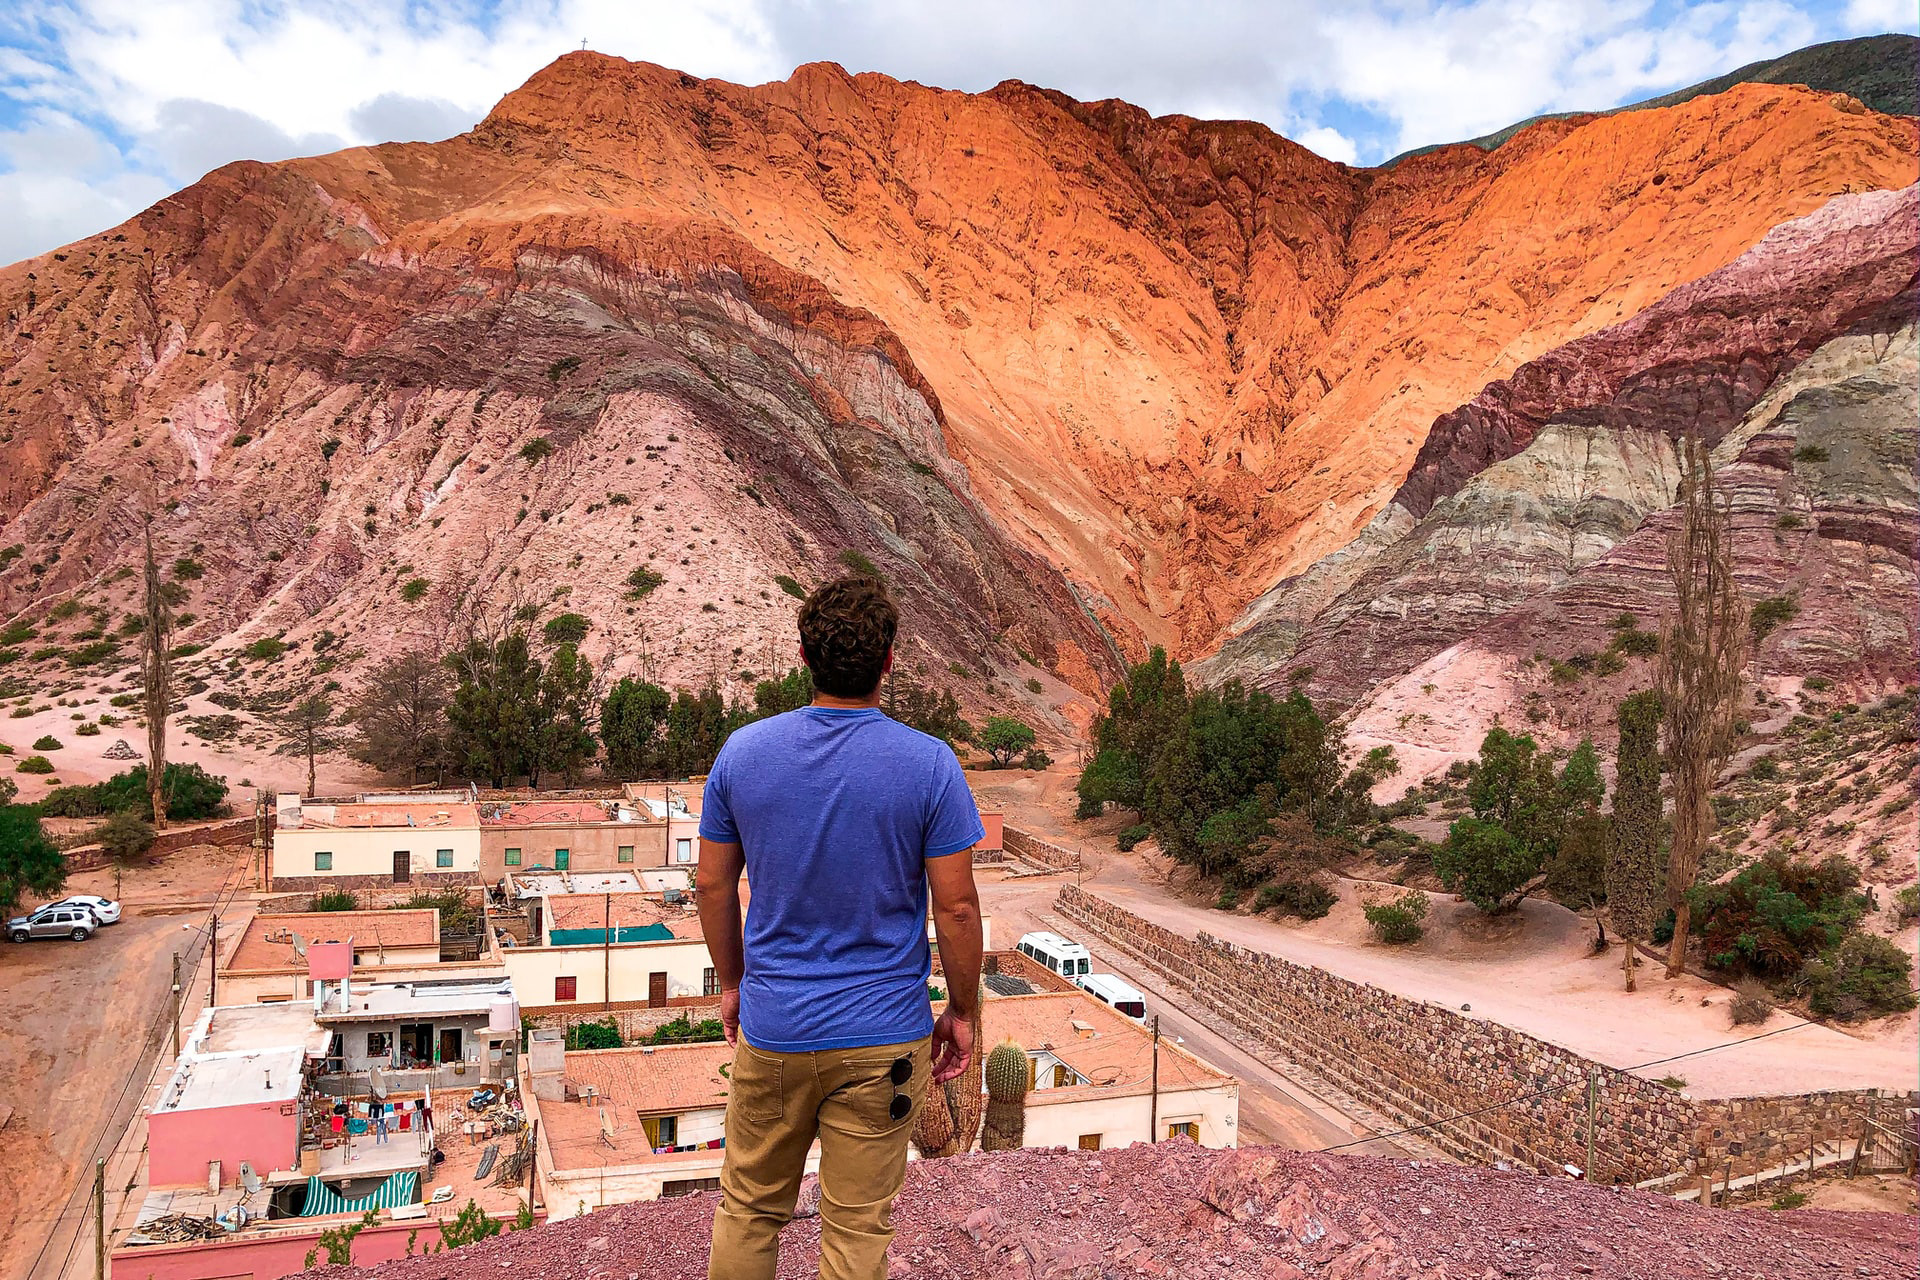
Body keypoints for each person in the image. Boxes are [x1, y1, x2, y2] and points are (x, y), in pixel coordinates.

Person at [697, 575, 985, 1280]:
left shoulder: (743, 753)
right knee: (856, 1228)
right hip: (884, 1037)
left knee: (749, 1210)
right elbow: (956, 908)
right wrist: (965, 1010)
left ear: (804, 655)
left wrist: (732, 984)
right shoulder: (930, 765)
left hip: (777, 1032)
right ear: (889, 660)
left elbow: (711, 883)